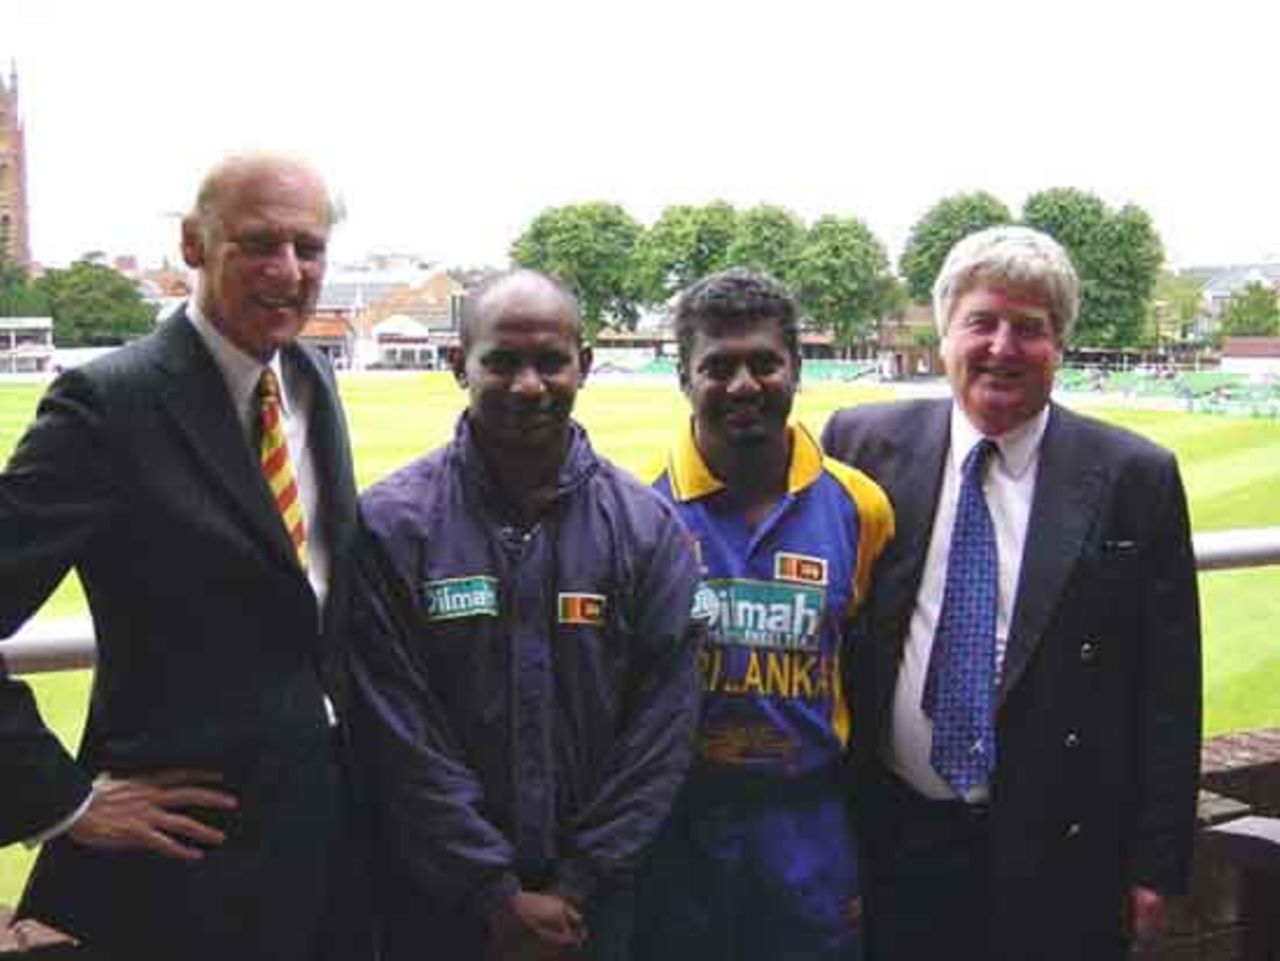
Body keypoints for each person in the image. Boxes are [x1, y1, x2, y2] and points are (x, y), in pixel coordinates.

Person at [0, 153, 371, 961]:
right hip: (177, 879)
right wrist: (60, 802)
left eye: (308, 248)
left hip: (319, 857)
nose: (288, 270)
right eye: (259, 243)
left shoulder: (309, 377)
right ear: (193, 246)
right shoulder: (107, 405)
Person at [822, 226, 1202, 960]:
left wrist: (1156, 865)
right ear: (944, 335)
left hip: (1059, 849)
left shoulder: (1134, 476)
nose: (1001, 346)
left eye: (1029, 327)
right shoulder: (861, 443)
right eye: (982, 321)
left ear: (1060, 344)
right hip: (893, 837)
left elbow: (1169, 688)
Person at [349, 269, 704, 960]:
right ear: (459, 365)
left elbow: (663, 727)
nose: (529, 385)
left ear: (585, 365)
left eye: (550, 361)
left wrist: (577, 882)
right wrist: (491, 891)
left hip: (595, 913)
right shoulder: (391, 524)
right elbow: (395, 729)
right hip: (438, 909)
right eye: (501, 361)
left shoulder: (646, 527)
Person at [636, 269, 894, 961]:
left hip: (809, 826)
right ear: (685, 378)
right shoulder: (638, 508)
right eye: (718, 365)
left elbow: (866, 659)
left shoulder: (860, 505)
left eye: (764, 362)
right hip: (680, 828)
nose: (744, 384)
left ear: (796, 370)